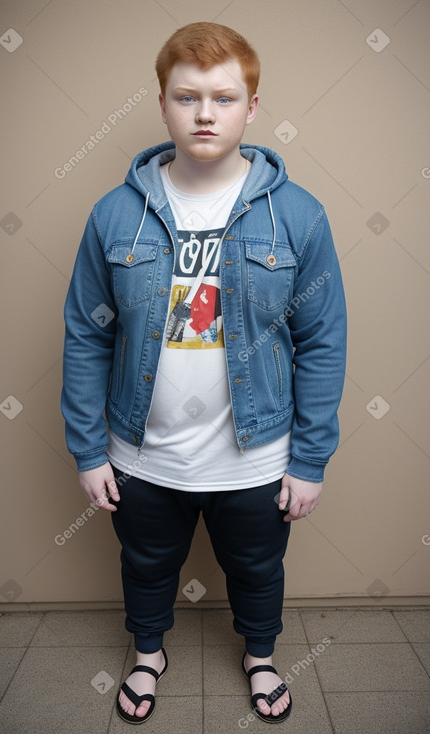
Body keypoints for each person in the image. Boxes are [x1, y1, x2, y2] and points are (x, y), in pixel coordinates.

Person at [61, 21, 347, 725]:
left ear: (252, 106)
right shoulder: (114, 214)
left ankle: (259, 656)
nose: (205, 113)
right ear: (161, 104)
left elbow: (323, 342)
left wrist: (309, 459)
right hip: (141, 453)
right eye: (186, 97)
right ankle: (148, 652)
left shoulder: (299, 217)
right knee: (145, 565)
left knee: (256, 569)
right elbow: (83, 334)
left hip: (256, 457)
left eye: (223, 97)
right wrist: (87, 448)